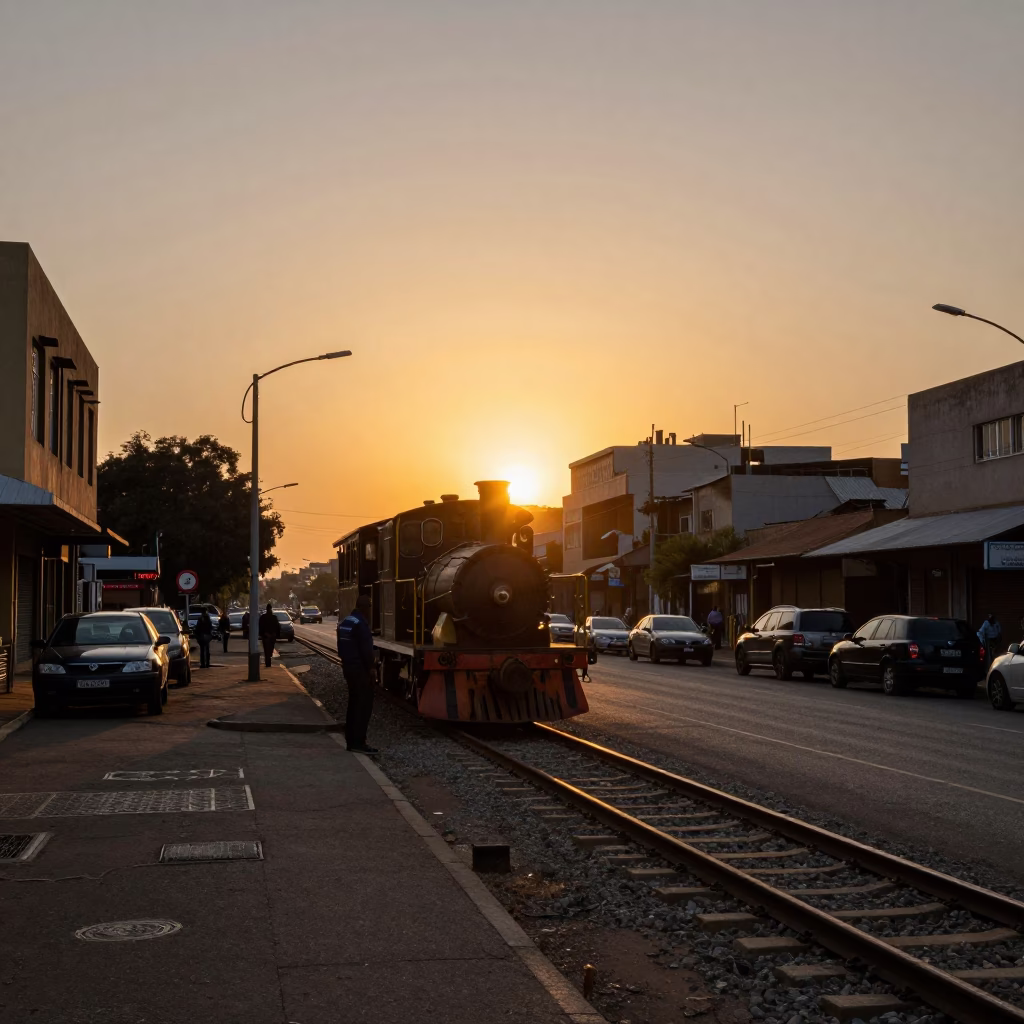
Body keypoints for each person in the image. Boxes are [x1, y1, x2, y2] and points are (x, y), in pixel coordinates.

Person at [337, 594, 377, 753]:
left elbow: (340, 647)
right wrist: (372, 668)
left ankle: (350, 740)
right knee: (363, 706)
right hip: (360, 670)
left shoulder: (345, 622)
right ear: (365, 608)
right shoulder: (361, 624)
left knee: (353, 705)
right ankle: (359, 742)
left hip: (348, 668)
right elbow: (367, 651)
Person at [258, 602, 281, 667]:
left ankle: (268, 662)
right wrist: (277, 635)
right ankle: (268, 661)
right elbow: (278, 627)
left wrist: (262, 634)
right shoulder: (274, 617)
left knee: (266, 650)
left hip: (266, 636)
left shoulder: (263, 617)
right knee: (270, 649)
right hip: (272, 636)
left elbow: (260, 626)